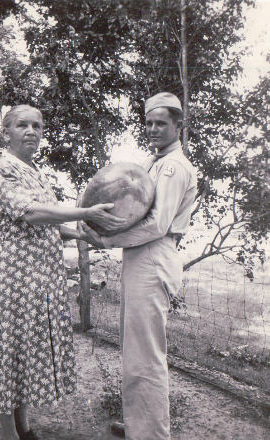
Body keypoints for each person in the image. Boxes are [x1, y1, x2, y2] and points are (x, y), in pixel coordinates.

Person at [0, 104, 127, 440]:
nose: (31, 132)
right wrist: (83, 211)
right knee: (5, 356)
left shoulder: (34, 171)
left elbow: (48, 224)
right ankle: (9, 435)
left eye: (37, 126)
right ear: (6, 132)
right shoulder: (3, 170)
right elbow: (31, 214)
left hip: (35, 280)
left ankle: (24, 429)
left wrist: (80, 232)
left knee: (23, 355)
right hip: (10, 279)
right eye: (23, 125)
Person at [81, 92, 197, 440]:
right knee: (134, 350)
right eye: (148, 122)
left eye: (161, 123)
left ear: (179, 125)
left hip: (154, 255)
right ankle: (138, 425)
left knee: (146, 354)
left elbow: (157, 224)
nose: (153, 128)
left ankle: (151, 435)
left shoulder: (174, 166)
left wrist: (105, 240)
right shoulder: (154, 162)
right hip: (140, 257)